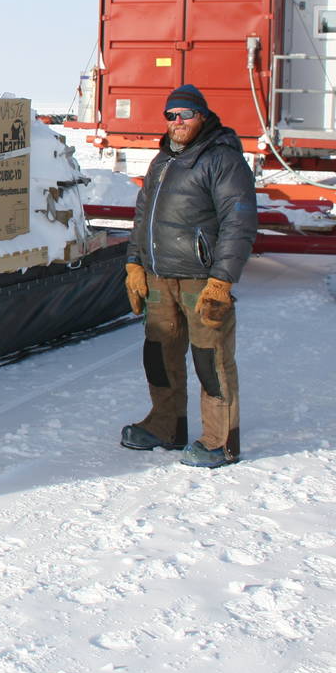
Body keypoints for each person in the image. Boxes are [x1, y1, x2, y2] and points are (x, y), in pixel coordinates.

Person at [120, 84, 258, 468]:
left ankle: (220, 442)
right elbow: (142, 218)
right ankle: (166, 426)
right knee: (159, 355)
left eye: (185, 114)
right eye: (171, 115)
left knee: (209, 360)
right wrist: (135, 263)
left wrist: (222, 281)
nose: (177, 122)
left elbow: (240, 221)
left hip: (202, 280)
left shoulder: (222, 159)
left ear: (202, 116)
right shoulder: (162, 161)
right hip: (160, 278)